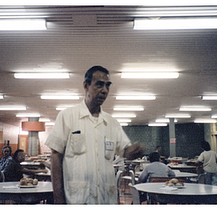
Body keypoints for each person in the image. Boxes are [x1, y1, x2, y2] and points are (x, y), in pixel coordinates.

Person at [45, 65, 144, 204]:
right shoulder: (67, 116)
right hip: (76, 200)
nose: (104, 90)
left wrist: (133, 151)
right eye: (99, 85)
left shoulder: (111, 123)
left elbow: (125, 151)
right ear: (86, 86)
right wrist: (58, 198)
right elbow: (55, 157)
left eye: (107, 86)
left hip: (106, 199)